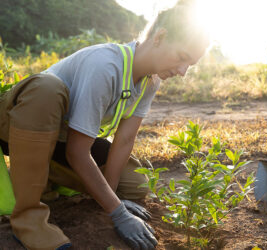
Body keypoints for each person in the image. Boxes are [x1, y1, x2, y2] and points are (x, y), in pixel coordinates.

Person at [0, 0, 209, 249]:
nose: (183, 71)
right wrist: (118, 213)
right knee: (48, 87)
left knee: (134, 182)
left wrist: (111, 200)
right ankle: (28, 221)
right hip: (19, 122)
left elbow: (125, 140)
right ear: (160, 36)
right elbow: (77, 151)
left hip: (60, 137)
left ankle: (42, 176)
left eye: (190, 65)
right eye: (182, 57)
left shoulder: (150, 82)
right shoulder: (106, 65)